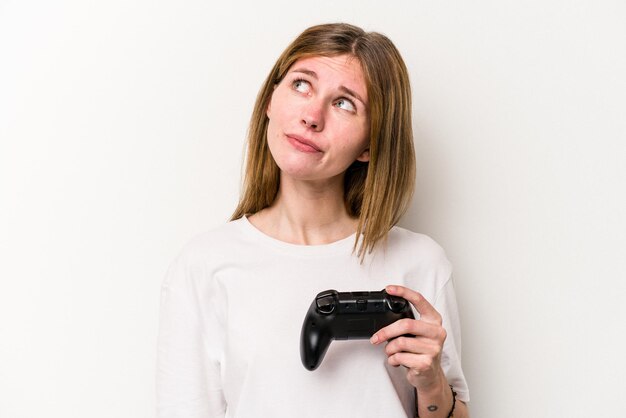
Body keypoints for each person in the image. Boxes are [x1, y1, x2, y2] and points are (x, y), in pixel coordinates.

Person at [157, 23, 470, 418]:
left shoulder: (421, 263)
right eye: (301, 85)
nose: (312, 116)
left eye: (344, 103)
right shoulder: (204, 265)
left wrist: (431, 384)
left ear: (370, 145)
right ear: (271, 99)